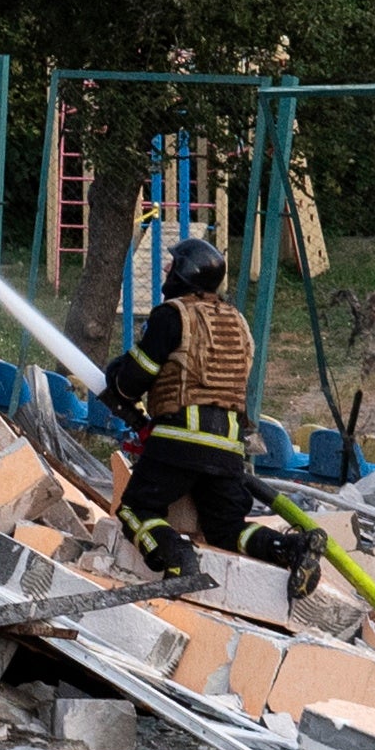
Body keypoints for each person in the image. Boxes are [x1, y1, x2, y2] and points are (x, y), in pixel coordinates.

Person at [119, 241, 278, 568]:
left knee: (136, 509)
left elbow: (134, 380)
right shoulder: (238, 322)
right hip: (228, 448)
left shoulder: (171, 316)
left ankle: (176, 558)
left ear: (185, 273)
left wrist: (116, 378)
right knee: (226, 528)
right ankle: (289, 548)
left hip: (180, 440)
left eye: (172, 264)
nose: (166, 270)